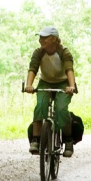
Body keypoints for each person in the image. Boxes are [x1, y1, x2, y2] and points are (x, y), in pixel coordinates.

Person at [23, 26, 77, 157]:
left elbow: (69, 69)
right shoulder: (38, 52)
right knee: (40, 106)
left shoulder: (64, 52)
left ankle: (68, 140)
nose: (41, 40)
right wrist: (29, 85)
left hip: (63, 83)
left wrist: (71, 86)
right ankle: (36, 140)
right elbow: (33, 69)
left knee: (60, 109)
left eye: (44, 37)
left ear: (53, 39)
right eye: (40, 37)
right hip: (45, 82)